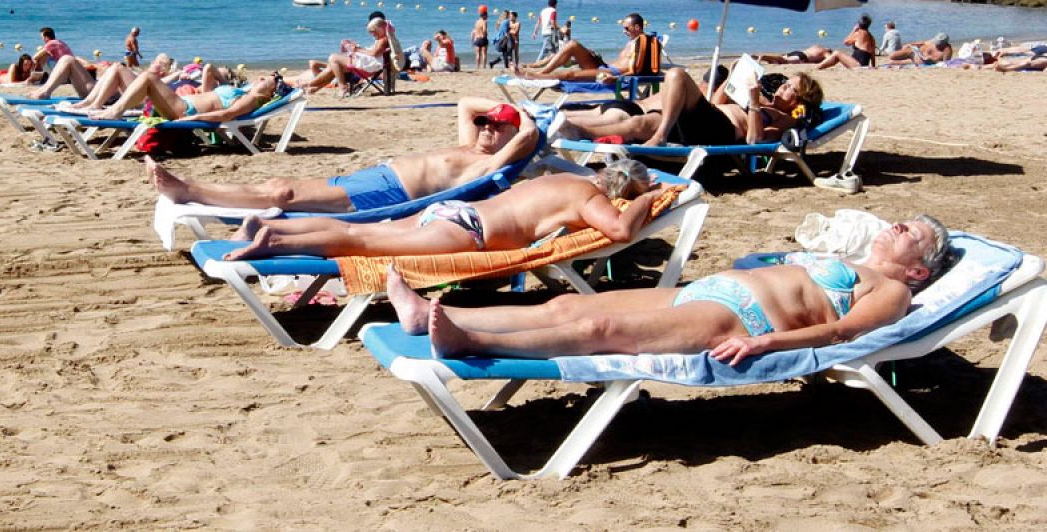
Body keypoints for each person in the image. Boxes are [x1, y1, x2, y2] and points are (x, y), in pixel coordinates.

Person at [400, 216, 952, 363]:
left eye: (914, 234)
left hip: (744, 325)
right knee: (567, 302)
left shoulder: (892, 292)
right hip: (711, 291)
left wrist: (764, 345)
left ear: (919, 270)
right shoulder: (844, 256)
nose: (899, 227)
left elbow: (840, 333)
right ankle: (422, 312)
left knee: (601, 331)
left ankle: (468, 341)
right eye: (902, 222)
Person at [224, 159, 670, 261]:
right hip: (471, 230)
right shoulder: (589, 198)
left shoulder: (563, 177)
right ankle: (274, 241)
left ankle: (264, 223)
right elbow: (619, 232)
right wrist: (646, 200)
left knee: (365, 228)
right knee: (361, 241)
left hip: (453, 210)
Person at [147, 100, 540, 213]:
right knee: (281, 188)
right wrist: (504, 110)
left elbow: (528, 136)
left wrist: (523, 121)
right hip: (376, 177)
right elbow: (466, 103)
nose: (486, 128)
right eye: (485, 123)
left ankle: (190, 190)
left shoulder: (490, 163)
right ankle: (195, 190)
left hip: (387, 195)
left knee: (282, 193)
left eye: (496, 127)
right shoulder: (470, 144)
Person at [553, 66, 822, 148]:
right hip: (708, 119)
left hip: (719, 132)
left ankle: (660, 138)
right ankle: (573, 129)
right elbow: (717, 103)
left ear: (799, 101)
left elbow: (754, 141)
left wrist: (752, 103)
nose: (782, 87)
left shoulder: (786, 120)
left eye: (790, 89)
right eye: (786, 83)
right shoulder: (763, 101)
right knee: (639, 125)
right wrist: (733, 80)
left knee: (677, 76)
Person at [89, 70, 286, 123]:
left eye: (266, 79)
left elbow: (226, 115)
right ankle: (103, 106)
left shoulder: (250, 100)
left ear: (270, 92)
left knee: (148, 77)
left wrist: (193, 118)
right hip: (180, 104)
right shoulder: (243, 92)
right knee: (136, 75)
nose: (260, 77)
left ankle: (115, 111)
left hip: (183, 110)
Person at [520, 13, 654, 82]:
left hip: (612, 74)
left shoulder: (643, 41)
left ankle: (537, 77)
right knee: (573, 45)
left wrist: (616, 78)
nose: (624, 31)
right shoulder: (633, 41)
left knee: (570, 74)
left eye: (626, 28)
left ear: (637, 27)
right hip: (605, 67)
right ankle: (542, 72)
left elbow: (636, 68)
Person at [58, 54, 180, 112]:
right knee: (114, 68)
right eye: (155, 60)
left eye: (160, 63)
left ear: (165, 70)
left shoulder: (159, 80)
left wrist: (176, 74)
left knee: (117, 67)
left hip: (142, 99)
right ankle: (90, 102)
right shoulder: (146, 75)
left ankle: (95, 104)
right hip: (134, 95)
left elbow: (165, 83)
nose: (154, 63)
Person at [296, 17, 390, 90]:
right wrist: (358, 48)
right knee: (333, 66)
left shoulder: (383, 40)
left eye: (373, 32)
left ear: (380, 29)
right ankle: (312, 86)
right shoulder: (383, 38)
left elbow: (374, 53)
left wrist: (358, 49)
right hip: (370, 64)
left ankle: (342, 86)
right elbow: (375, 52)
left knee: (333, 58)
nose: (372, 35)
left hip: (369, 66)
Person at [27, 27, 91, 98]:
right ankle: (42, 83)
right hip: (72, 73)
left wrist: (34, 63)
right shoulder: (60, 42)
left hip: (65, 71)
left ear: (46, 37)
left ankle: (38, 78)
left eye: (42, 37)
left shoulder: (51, 43)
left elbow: (35, 57)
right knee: (47, 55)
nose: (42, 39)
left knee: (43, 56)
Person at [812, 14, 878, 69]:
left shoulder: (859, 33)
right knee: (837, 57)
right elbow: (872, 55)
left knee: (837, 53)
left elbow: (845, 42)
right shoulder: (872, 37)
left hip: (857, 65)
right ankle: (821, 66)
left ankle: (819, 67)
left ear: (859, 24)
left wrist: (853, 30)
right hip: (863, 64)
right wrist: (873, 66)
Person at [884, 33, 953, 66]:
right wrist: (910, 44)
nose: (937, 43)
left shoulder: (947, 50)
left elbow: (945, 63)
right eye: (937, 42)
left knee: (891, 62)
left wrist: (931, 59)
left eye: (939, 43)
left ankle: (898, 62)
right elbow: (922, 42)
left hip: (921, 60)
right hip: (914, 51)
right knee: (892, 56)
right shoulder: (933, 41)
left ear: (945, 43)